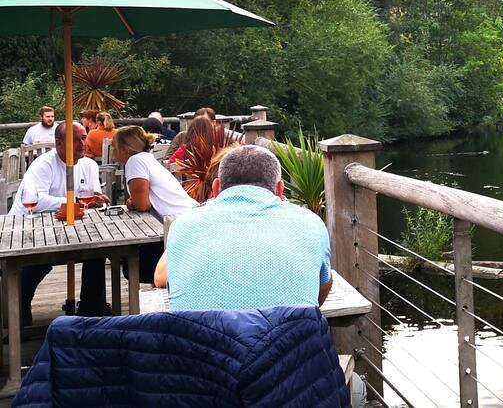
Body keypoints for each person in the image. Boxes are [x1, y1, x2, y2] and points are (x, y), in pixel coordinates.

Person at [154, 145, 333, 311]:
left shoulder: (183, 225)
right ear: (280, 189)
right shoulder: (311, 223)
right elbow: (320, 291)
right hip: (289, 342)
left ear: (216, 189)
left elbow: (170, 285)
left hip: (199, 343)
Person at [11, 122, 111, 323]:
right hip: (30, 227)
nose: (83, 143)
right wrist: (72, 201)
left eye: (84, 138)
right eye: (76, 139)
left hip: (71, 228)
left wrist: (94, 201)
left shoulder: (89, 165)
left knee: (98, 250)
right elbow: (34, 201)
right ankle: (18, 313)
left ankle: (91, 307)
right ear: (58, 143)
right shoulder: (44, 164)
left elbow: (89, 200)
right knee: (36, 261)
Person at [113, 126, 197, 281]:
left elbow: (142, 205)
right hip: (186, 217)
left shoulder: (134, 162)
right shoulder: (146, 158)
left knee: (135, 267)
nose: (112, 150)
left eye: (114, 146)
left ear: (124, 149)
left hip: (176, 226)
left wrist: (133, 202)